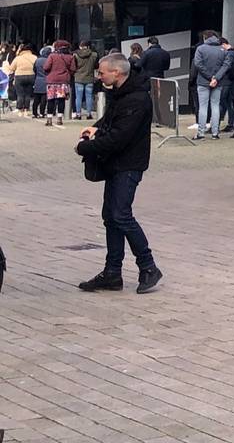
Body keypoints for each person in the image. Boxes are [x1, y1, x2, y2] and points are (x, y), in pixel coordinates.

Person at [74, 52, 163, 295]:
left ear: (117, 72)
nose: (99, 75)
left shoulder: (137, 99)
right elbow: (111, 120)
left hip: (128, 165)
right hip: (114, 164)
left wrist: (85, 147)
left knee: (121, 215)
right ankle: (112, 272)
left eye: (102, 72)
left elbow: (119, 137)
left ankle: (148, 266)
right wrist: (96, 127)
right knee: (111, 217)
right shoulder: (121, 93)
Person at [192, 30, 231, 138]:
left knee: (203, 107)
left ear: (205, 38)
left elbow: (198, 64)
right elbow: (226, 65)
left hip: (203, 82)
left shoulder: (200, 49)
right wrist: (216, 78)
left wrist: (210, 77)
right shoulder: (223, 50)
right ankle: (215, 132)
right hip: (218, 82)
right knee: (215, 106)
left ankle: (201, 133)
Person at [43, 40, 77, 126]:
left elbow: (46, 67)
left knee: (51, 100)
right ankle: (59, 119)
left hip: (52, 81)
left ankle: (49, 119)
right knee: (61, 100)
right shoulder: (70, 57)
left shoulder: (52, 56)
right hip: (63, 81)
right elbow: (73, 69)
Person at [72, 41, 98, 121]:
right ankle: (89, 114)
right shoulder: (94, 55)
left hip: (78, 78)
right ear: (88, 47)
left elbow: (73, 67)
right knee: (89, 97)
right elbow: (96, 66)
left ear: (80, 46)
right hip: (89, 78)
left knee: (78, 97)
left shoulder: (75, 55)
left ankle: (78, 114)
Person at [10, 43, 36, 116]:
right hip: (31, 76)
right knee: (28, 94)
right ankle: (26, 109)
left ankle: (20, 109)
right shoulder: (34, 57)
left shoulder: (18, 58)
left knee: (20, 94)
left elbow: (12, 68)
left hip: (19, 76)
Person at [32, 44, 51, 120]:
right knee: (44, 98)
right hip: (46, 80)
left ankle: (34, 113)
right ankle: (42, 113)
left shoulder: (37, 60)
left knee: (36, 98)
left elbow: (34, 70)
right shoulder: (49, 60)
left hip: (38, 80)